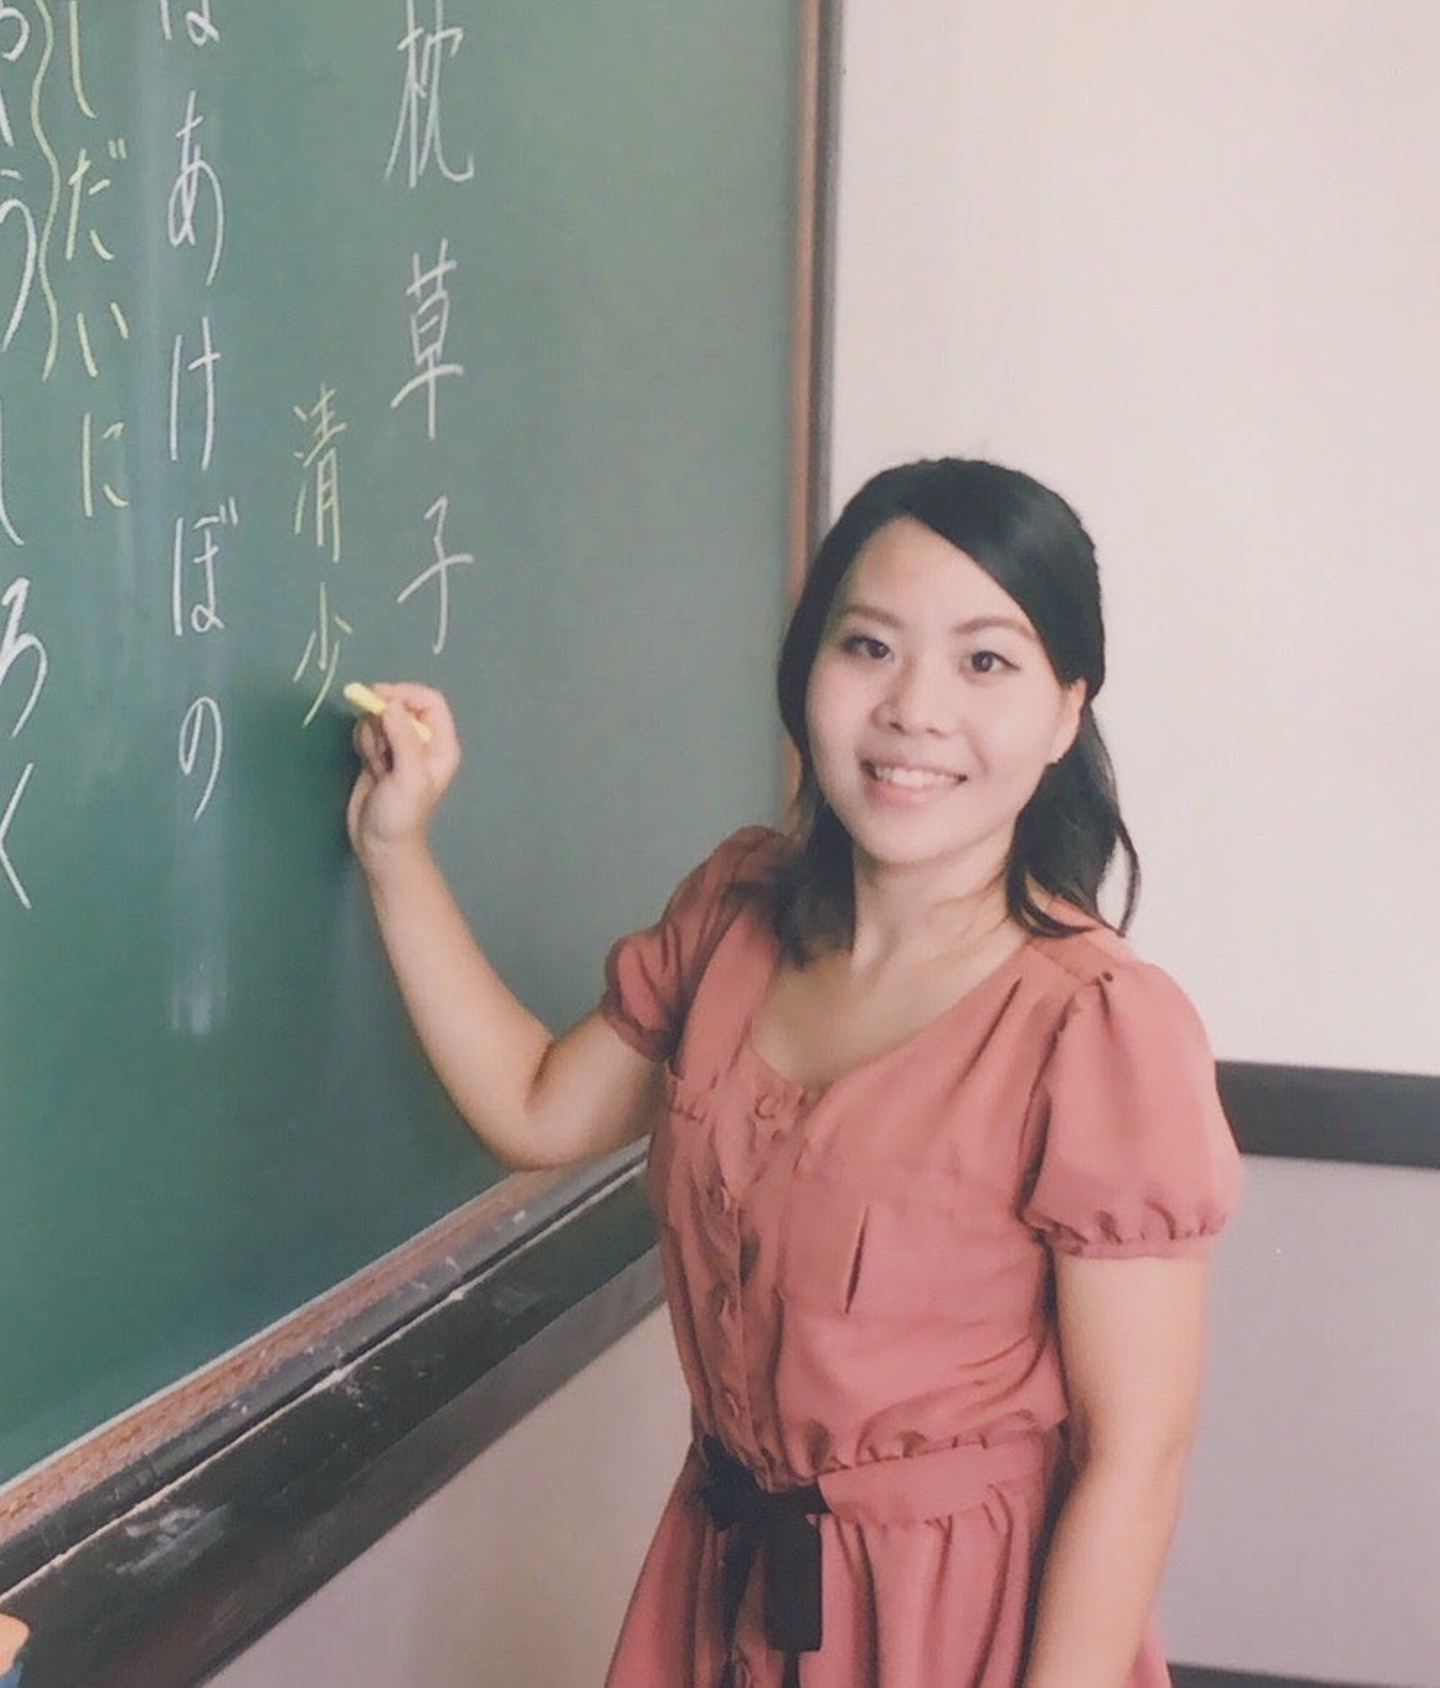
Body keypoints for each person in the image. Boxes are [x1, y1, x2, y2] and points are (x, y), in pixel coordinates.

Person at [347, 457, 1242, 1688]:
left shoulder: (1098, 1026)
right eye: (868, 646)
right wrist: (395, 851)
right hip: (726, 1580)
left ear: (1063, 712)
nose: (914, 709)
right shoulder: (734, 911)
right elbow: (536, 1108)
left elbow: (1137, 1454)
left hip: (961, 1629)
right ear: (805, 671)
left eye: (985, 661)